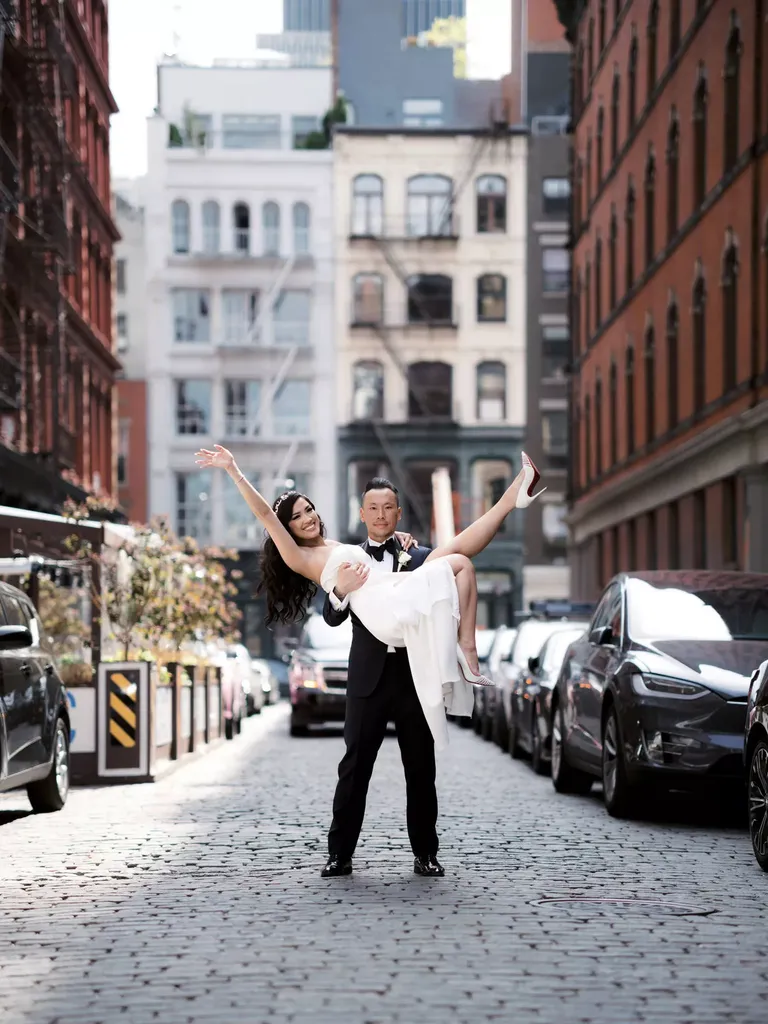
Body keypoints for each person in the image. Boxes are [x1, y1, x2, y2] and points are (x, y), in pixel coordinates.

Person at [193, 446, 545, 870]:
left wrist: (399, 549)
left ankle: (426, 855)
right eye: (297, 516)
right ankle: (339, 856)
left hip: (410, 664)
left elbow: (388, 565)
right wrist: (233, 469)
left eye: (309, 510)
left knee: (421, 768)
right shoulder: (303, 557)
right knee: (355, 768)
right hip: (370, 672)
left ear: (394, 514)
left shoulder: (379, 547)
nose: (306, 518)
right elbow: (272, 523)